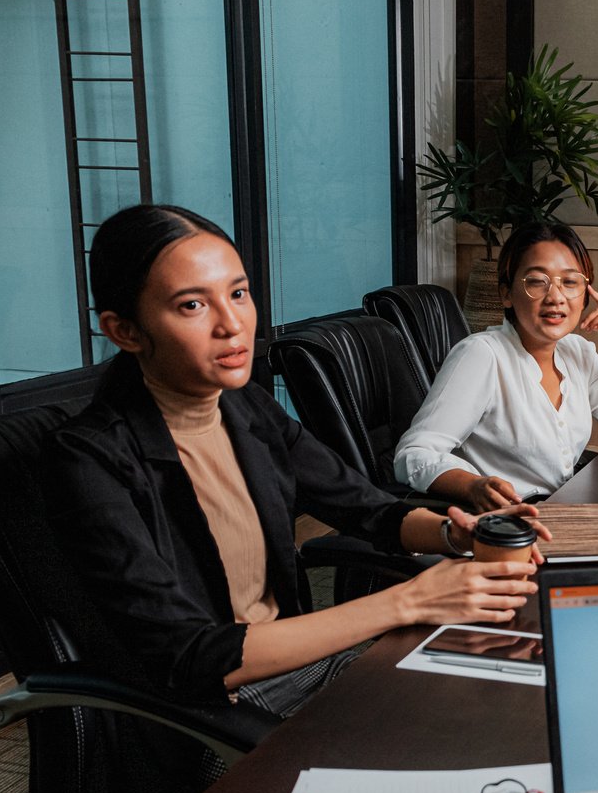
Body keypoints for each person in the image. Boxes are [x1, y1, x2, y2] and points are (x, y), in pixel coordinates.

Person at [46, 205, 548, 717]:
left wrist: (456, 533)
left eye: (238, 293)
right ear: (125, 331)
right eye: (193, 305)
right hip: (218, 707)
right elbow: (189, 656)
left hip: (304, 667)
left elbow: (367, 509)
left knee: (523, 694)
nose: (232, 324)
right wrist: (411, 601)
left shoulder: (246, 408)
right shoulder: (88, 460)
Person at [395, 222, 598, 510]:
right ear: (506, 294)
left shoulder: (577, 353)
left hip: (562, 511)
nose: (556, 297)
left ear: (585, 294)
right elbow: (413, 454)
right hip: (509, 527)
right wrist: (473, 486)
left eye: (570, 282)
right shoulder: (481, 355)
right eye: (537, 281)